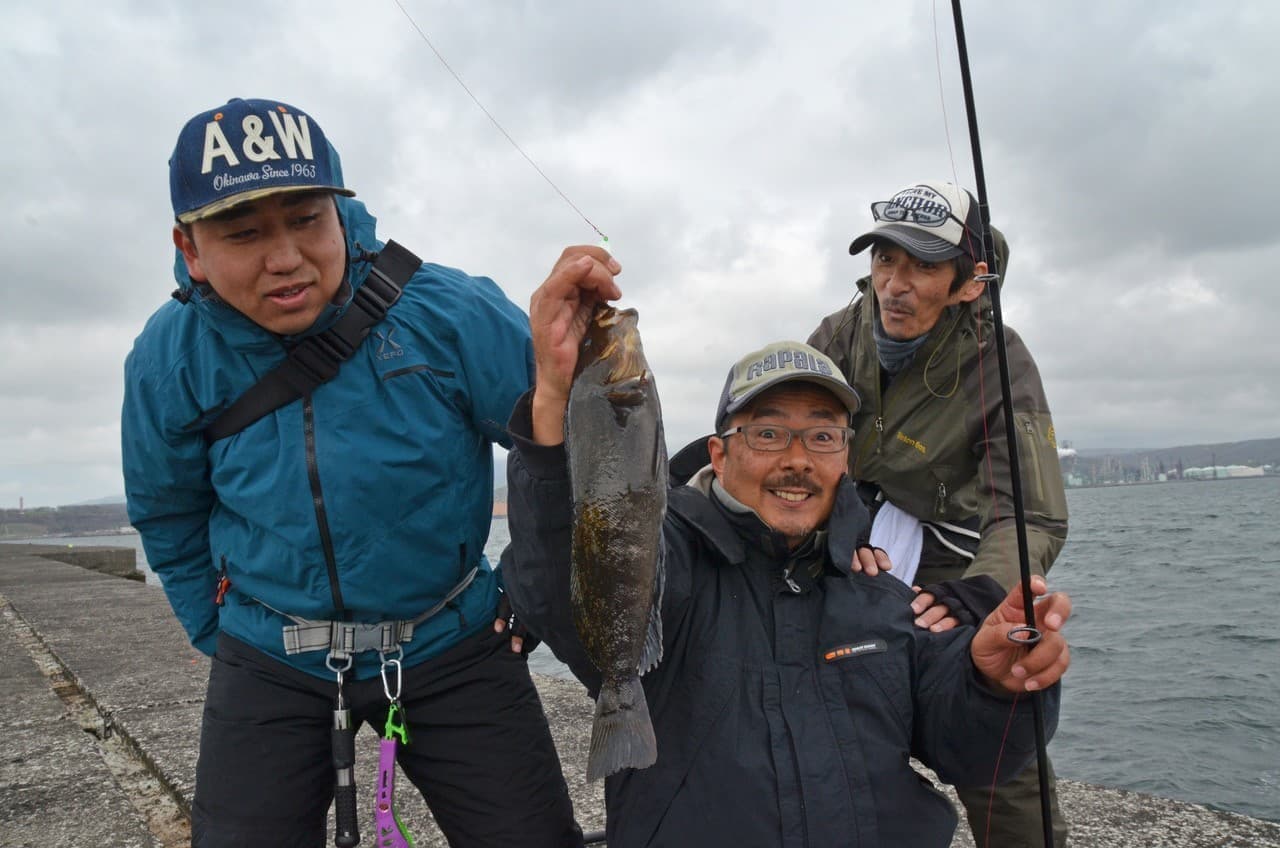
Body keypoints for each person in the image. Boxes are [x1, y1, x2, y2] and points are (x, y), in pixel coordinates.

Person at [121, 97, 582, 847]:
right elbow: (167, 510)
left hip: (453, 642)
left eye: (307, 219)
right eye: (243, 233)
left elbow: (569, 450)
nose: (285, 258)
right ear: (191, 247)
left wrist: (533, 592)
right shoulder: (167, 358)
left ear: (340, 212)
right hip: (270, 657)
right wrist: (220, 632)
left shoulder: (449, 311)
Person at [502, 245, 1072, 847]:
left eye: (822, 436)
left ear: (846, 459)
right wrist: (553, 399)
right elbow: (563, 577)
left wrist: (996, 687)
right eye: (769, 433)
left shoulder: (886, 598)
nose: (797, 459)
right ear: (719, 455)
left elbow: (974, 752)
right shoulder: (670, 571)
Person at [808, 180, 1071, 846]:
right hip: (852, 539)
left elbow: (1031, 512)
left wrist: (985, 589)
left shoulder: (1003, 360)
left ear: (969, 283)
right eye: (884, 260)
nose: (895, 285)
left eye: (923, 266)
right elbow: (802, 451)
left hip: (960, 560)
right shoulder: (838, 335)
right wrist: (838, 533)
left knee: (998, 726)